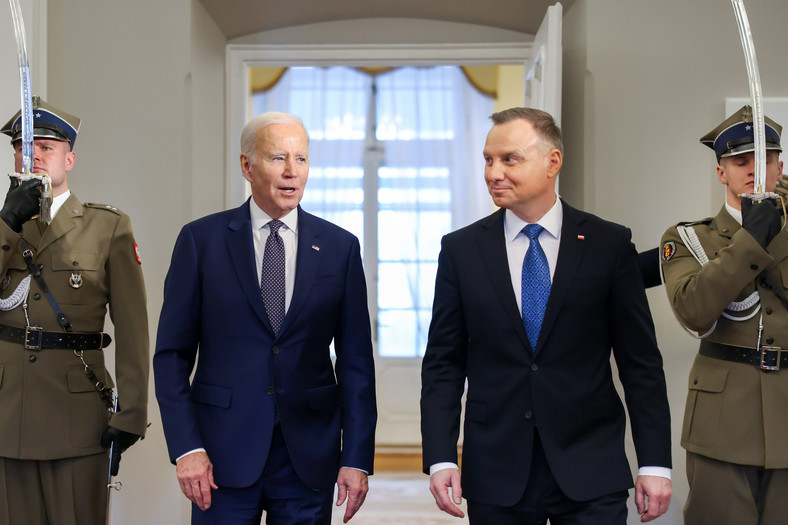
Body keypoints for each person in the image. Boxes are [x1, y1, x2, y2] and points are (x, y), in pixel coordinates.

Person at [421, 107, 672, 524]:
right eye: (488, 159)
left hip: (591, 468)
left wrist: (655, 464)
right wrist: (441, 457)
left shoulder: (608, 244)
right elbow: (444, 363)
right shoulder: (461, 250)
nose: (493, 172)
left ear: (552, 162)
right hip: (496, 469)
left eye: (509, 159)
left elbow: (641, 364)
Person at [153, 111, 377, 524]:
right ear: (247, 165)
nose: (292, 172)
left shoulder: (340, 248)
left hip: (308, 456)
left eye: (302, 159)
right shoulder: (200, 242)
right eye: (278, 158)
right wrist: (186, 449)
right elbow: (170, 356)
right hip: (220, 457)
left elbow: (356, 363)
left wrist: (358, 457)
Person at [0, 97, 149, 525]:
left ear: (71, 158)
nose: (33, 156)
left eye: (46, 147)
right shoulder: (3, 226)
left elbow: (133, 329)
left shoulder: (107, 227)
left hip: (76, 416)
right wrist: (8, 222)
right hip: (8, 413)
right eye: (23, 148)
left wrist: (132, 413)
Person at [660, 105, 788, 524]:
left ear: (780, 165)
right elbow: (695, 310)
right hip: (723, 425)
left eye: (765, 159)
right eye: (740, 160)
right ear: (721, 173)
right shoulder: (688, 238)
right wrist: (751, 238)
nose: (754, 169)